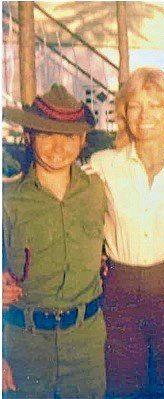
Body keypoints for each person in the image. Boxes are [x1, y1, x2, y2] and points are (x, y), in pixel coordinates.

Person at [88, 67, 164, 397]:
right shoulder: (102, 164)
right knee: (123, 384)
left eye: (155, 105)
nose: (145, 115)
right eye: (135, 105)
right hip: (119, 289)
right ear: (124, 112)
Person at [2, 84, 107, 398]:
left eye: (69, 137)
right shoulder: (8, 198)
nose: (58, 147)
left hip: (85, 344)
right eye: (47, 135)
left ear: (82, 140)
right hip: (25, 346)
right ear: (30, 137)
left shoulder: (98, 188)